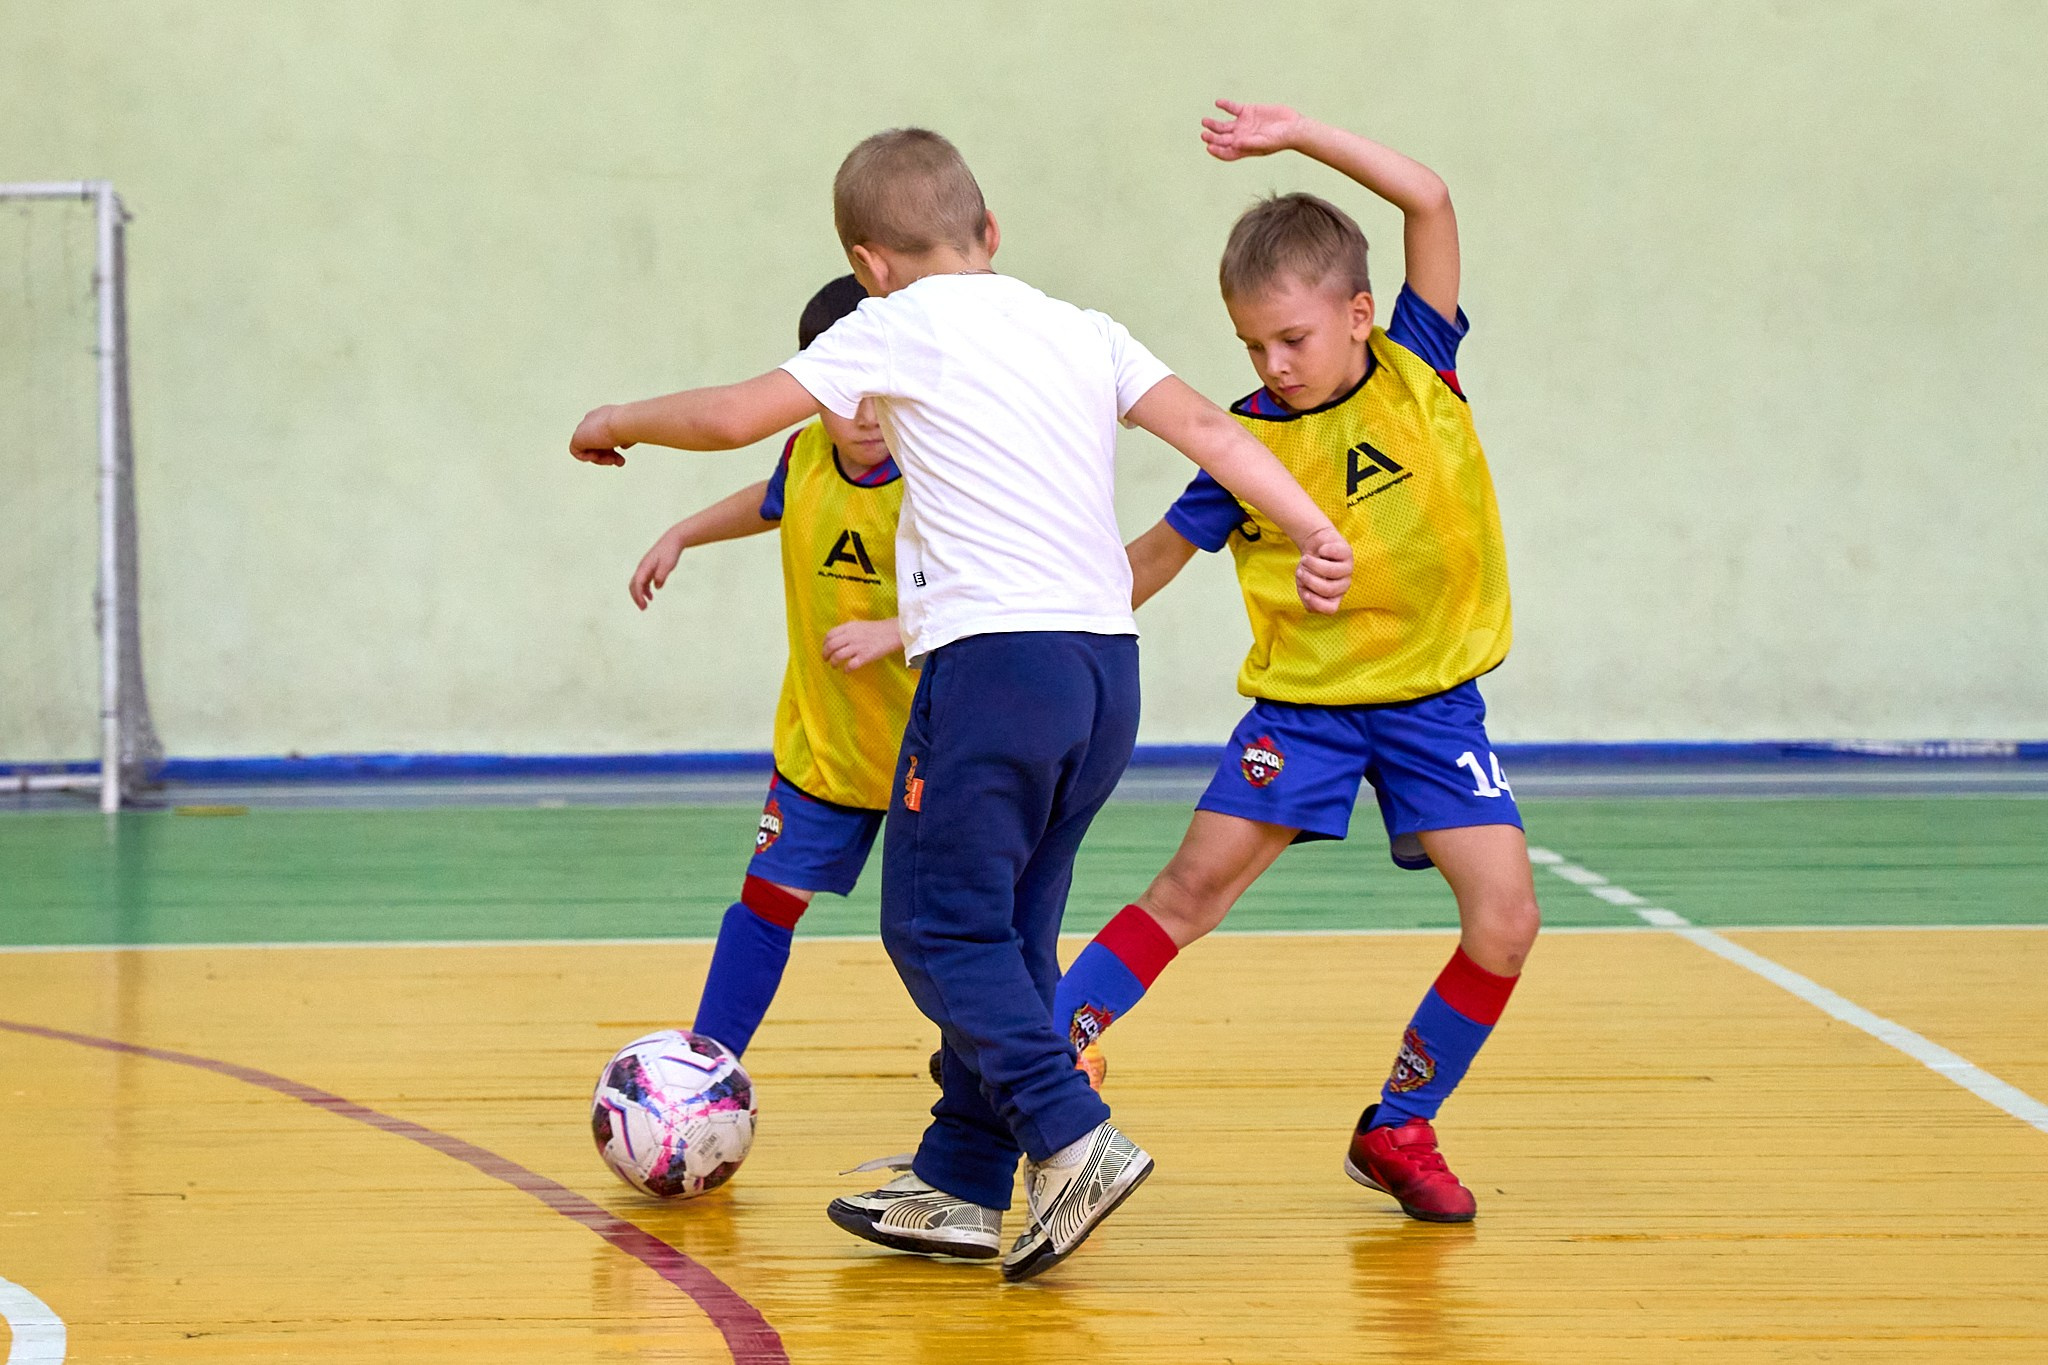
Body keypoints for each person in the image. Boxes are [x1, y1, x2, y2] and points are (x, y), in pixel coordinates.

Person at [570, 126, 1352, 1280]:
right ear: (989, 234)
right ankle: (961, 1180)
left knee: (938, 926)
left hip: (993, 668)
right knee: (1010, 926)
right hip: (1102, 672)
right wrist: (1314, 527)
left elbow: (741, 415)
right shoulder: (1081, 328)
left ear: (866, 260)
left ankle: (1069, 1136)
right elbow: (1206, 429)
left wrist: (616, 420)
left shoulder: (892, 325)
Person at [1049, 100, 1541, 1224]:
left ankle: (1398, 1126)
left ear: (1361, 315)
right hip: (1306, 711)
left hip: (1431, 706)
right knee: (1189, 890)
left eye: (1292, 340)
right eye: (1251, 347)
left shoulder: (1421, 365)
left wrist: (1296, 135)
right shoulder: (1244, 439)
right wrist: (1027, 615)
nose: (1272, 365)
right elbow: (1158, 555)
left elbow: (1425, 195)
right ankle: (1036, 1059)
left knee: (1504, 920)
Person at [628, 275, 912, 1062]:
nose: (863, 415)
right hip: (827, 744)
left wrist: (896, 627)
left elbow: (998, 590)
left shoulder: (942, 476)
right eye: (841, 391)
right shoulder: (807, 453)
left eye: (882, 392)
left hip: (937, 748)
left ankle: (1035, 1056)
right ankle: (703, 1067)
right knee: (765, 902)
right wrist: (685, 530)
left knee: (948, 932)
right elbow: (775, 498)